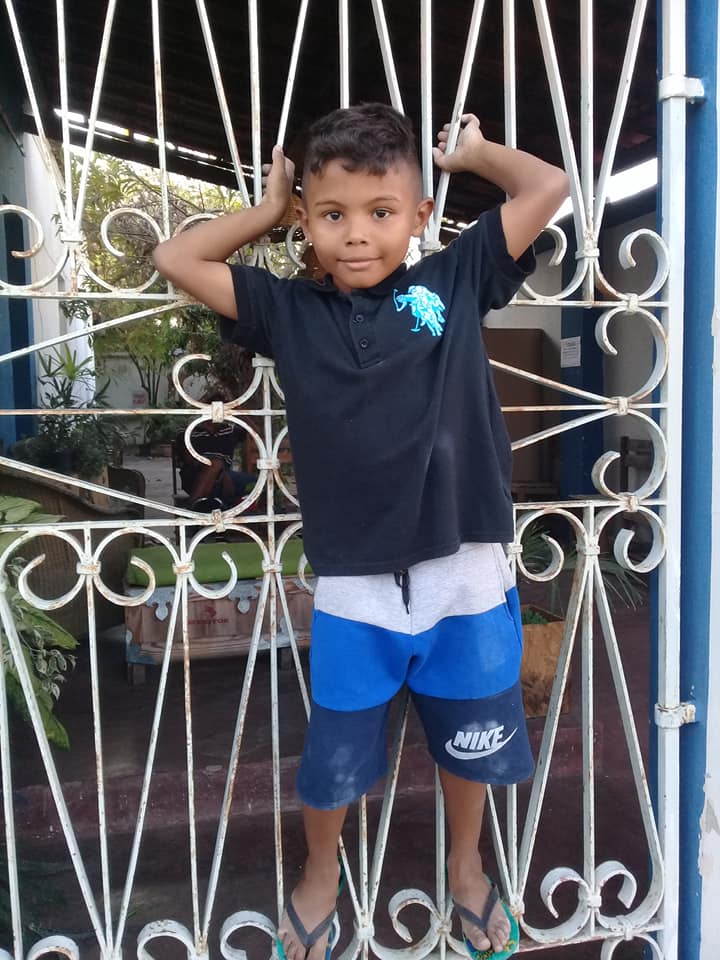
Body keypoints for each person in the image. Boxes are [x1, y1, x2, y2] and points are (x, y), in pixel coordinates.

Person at [153, 103, 568, 960]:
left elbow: (549, 186)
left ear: (419, 216)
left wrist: (477, 153)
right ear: (308, 220)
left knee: (470, 743)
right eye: (332, 214)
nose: (356, 235)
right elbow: (176, 257)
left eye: (381, 212)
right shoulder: (285, 310)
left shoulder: (454, 280)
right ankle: (319, 871)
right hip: (355, 578)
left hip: (464, 566)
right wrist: (268, 209)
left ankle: (466, 867)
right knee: (336, 750)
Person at [175, 393, 256, 508]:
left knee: (259, 483)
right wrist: (214, 469)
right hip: (195, 474)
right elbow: (188, 459)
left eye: (222, 409)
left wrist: (238, 410)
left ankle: (203, 506)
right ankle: (193, 507)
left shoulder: (229, 430)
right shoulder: (190, 431)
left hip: (226, 475)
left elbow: (255, 432)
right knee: (215, 464)